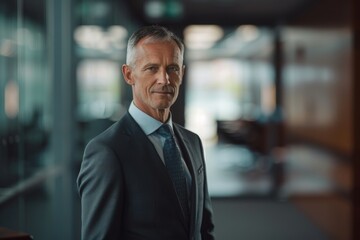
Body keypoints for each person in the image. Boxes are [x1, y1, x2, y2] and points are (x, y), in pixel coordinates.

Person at [77, 25, 215, 240]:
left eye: (172, 68)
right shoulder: (107, 152)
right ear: (129, 74)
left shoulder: (193, 142)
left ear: (182, 73)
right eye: (152, 68)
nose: (165, 79)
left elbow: (204, 230)